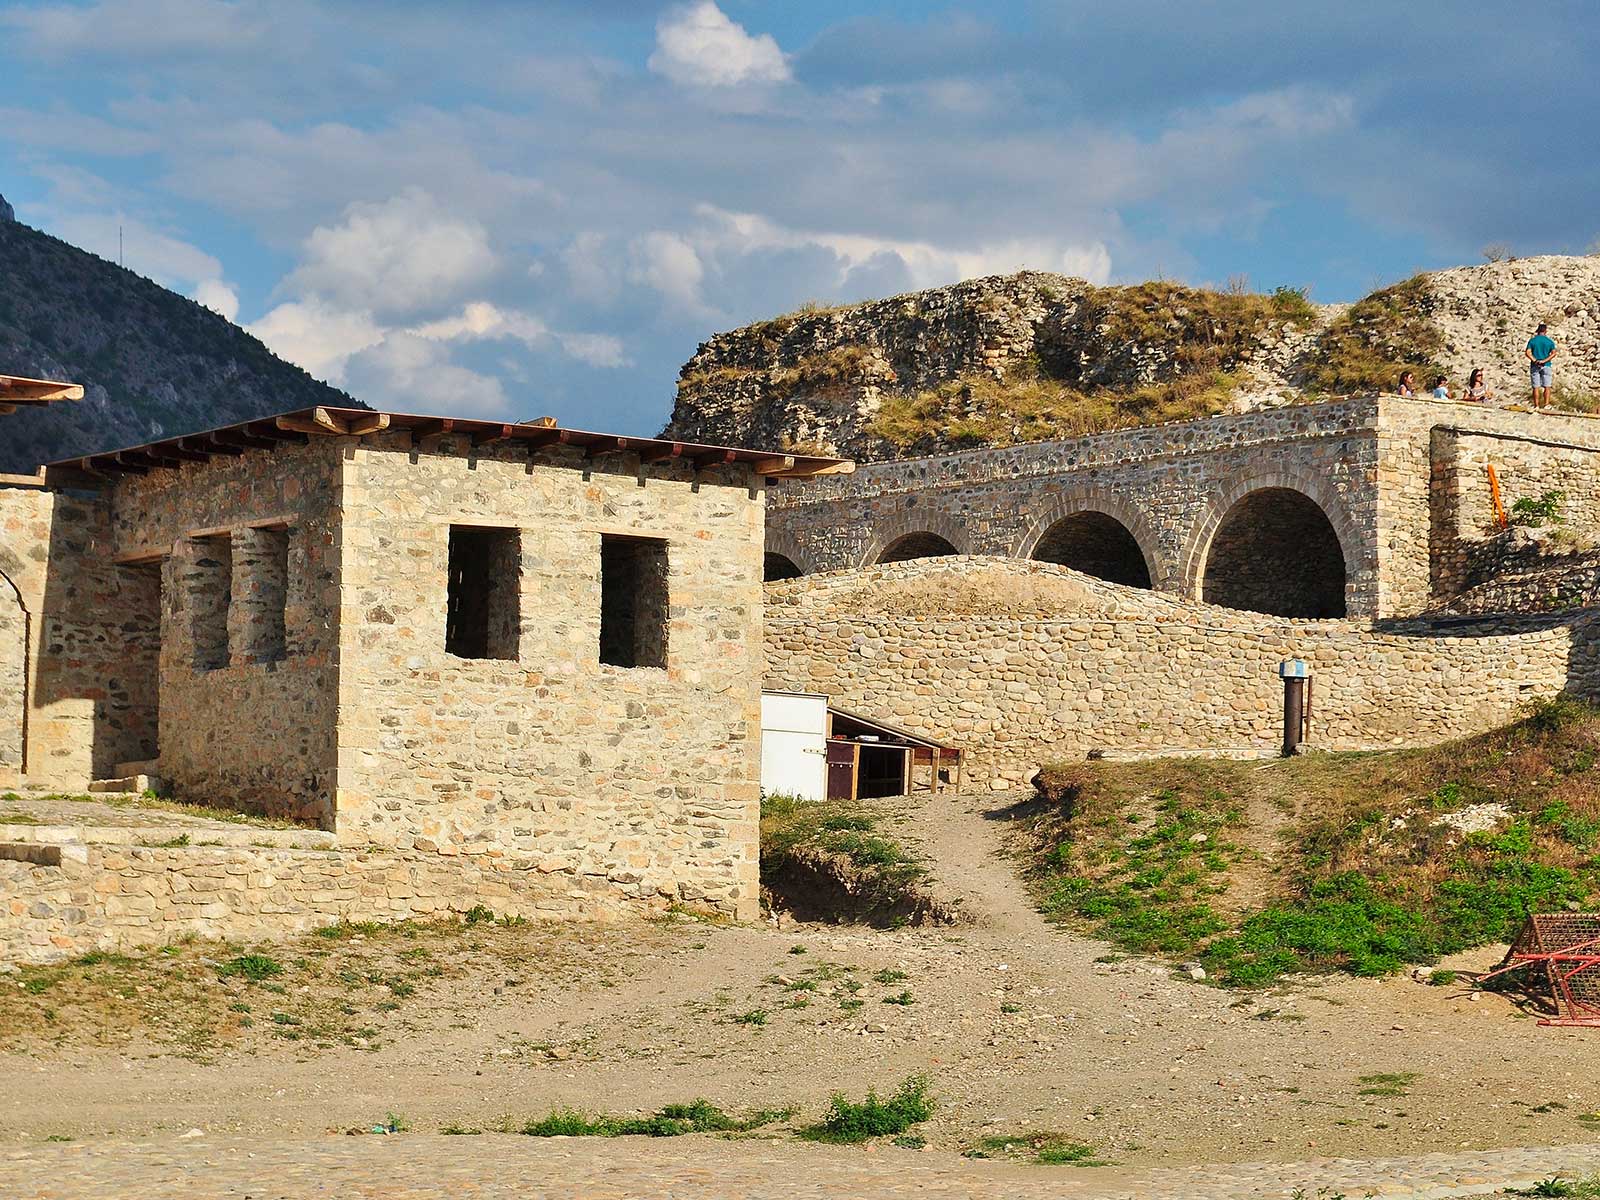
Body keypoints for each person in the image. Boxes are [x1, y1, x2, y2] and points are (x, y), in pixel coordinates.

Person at [1526, 323, 1558, 408]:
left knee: (1535, 387)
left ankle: (1536, 405)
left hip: (1535, 365)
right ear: (1545, 331)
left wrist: (1535, 360)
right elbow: (1554, 353)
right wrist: (1544, 360)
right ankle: (1546, 404)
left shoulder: (1532, 341)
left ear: (1538, 330)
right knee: (1547, 386)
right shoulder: (1549, 341)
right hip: (1546, 365)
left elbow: (1528, 353)